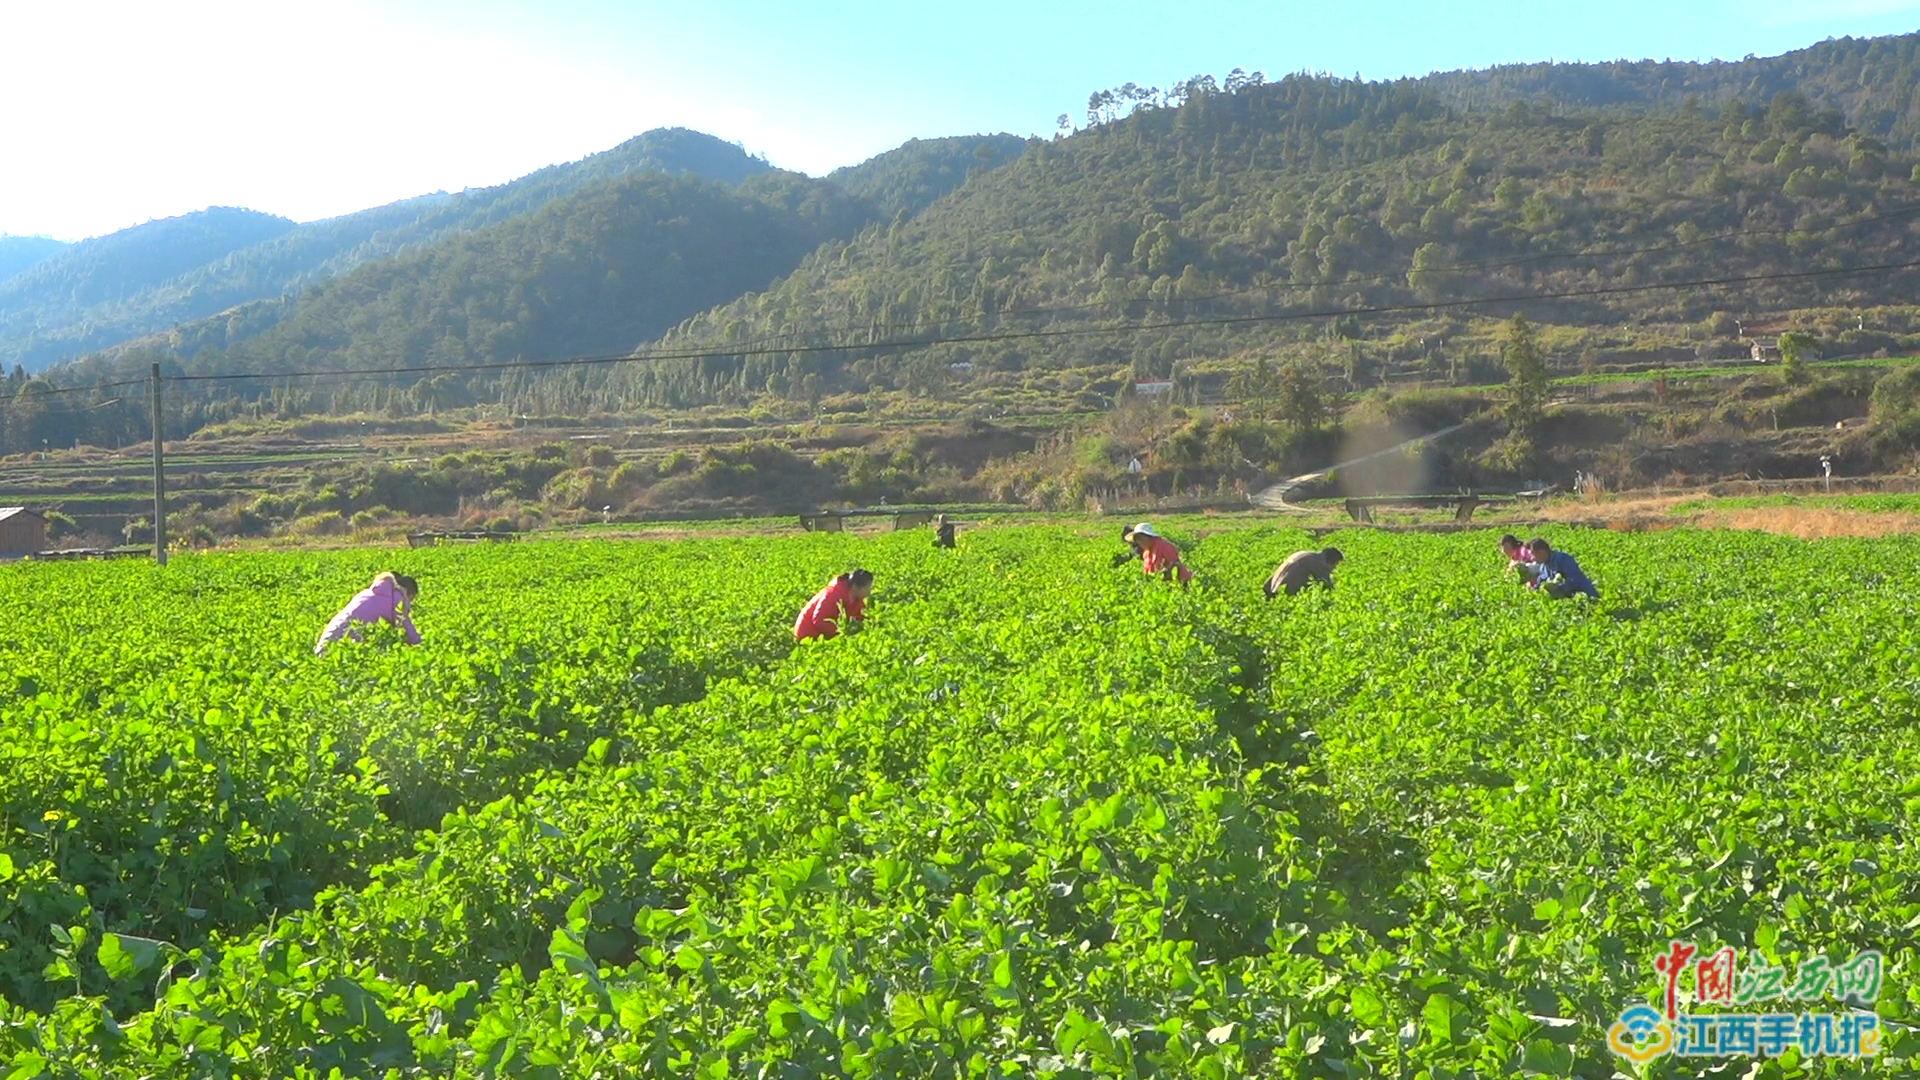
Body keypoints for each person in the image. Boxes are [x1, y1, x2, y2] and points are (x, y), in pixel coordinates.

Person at [315, 571, 421, 654]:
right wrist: (422, 645)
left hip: (325, 643)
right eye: (411, 599)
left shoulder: (367, 593)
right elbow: (410, 634)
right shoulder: (397, 600)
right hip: (341, 649)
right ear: (408, 593)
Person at [795, 568, 873, 641]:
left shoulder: (857, 599)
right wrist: (840, 633)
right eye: (867, 587)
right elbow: (819, 619)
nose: (870, 590)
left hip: (825, 635)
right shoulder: (834, 594)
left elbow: (859, 617)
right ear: (855, 587)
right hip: (808, 634)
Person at [1112, 523, 1193, 586]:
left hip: (1179, 583)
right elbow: (1148, 570)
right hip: (1160, 584)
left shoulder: (1163, 545)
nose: (1140, 542)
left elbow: (1175, 563)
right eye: (1137, 540)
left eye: (1141, 539)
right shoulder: (1146, 552)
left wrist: (1164, 573)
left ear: (1148, 537)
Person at [1525, 538, 1598, 599]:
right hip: (1569, 601)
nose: (1532, 558)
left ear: (1542, 552)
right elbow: (1540, 583)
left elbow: (1575, 579)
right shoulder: (1543, 567)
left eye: (1533, 554)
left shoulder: (1562, 559)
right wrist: (1533, 590)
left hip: (1586, 597)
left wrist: (1558, 587)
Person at [1264, 547, 1343, 598]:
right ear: (1331, 560)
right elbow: (1327, 585)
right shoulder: (1318, 563)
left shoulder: (1304, 554)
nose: (1334, 568)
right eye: (1335, 564)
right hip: (1286, 593)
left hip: (1273, 587)